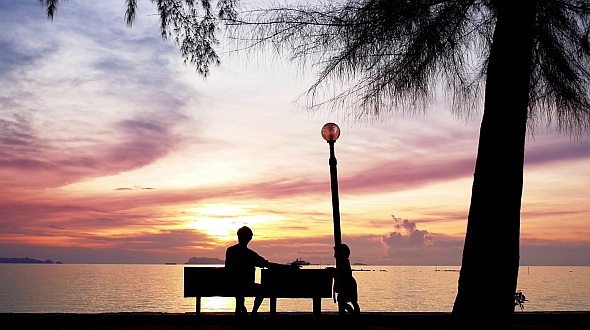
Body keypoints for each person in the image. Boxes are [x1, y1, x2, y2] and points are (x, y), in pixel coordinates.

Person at [225, 225, 295, 319]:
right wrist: (287, 268)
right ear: (249, 238)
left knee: (238, 287)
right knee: (261, 290)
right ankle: (253, 313)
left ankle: (243, 310)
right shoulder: (250, 254)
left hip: (231, 284)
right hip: (247, 285)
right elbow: (267, 265)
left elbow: (228, 269)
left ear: (238, 236)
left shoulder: (230, 251)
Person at [332, 243, 360, 316]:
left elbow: (343, 273)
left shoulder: (344, 262)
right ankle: (354, 315)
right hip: (347, 284)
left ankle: (354, 315)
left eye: (335, 253)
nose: (334, 255)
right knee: (349, 301)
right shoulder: (343, 262)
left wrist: (334, 271)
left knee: (343, 301)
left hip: (347, 284)